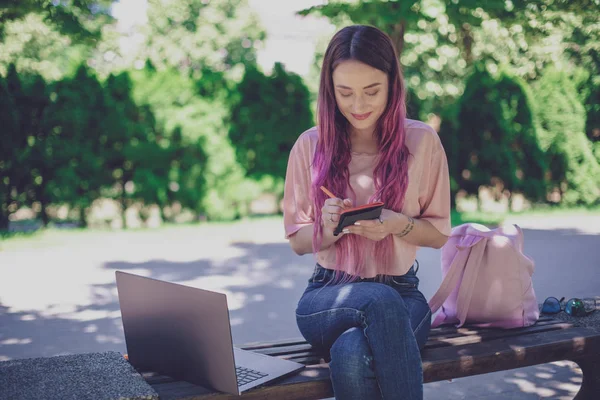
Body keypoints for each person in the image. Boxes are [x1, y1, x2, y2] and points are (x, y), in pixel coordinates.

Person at [282, 25, 451, 400]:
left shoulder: (422, 142)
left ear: (393, 83)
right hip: (327, 293)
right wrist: (330, 227)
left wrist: (397, 225)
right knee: (376, 300)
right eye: (345, 93)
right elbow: (297, 241)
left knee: (352, 353)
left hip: (401, 293)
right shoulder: (309, 146)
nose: (358, 105)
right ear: (330, 91)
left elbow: (439, 234)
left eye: (371, 91)